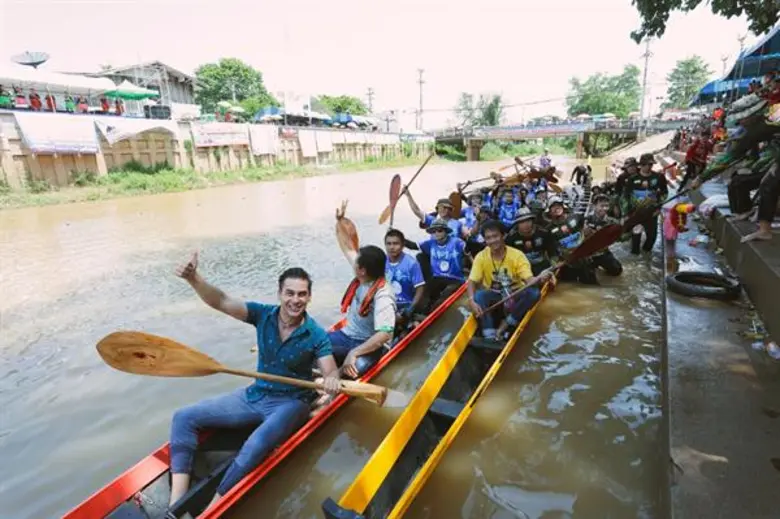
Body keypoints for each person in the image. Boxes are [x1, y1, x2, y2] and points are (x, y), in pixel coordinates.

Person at [168, 253, 341, 510]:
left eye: (302, 294)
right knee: (183, 417)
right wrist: (194, 279)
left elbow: (331, 372)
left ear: (309, 297)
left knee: (257, 443)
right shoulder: (262, 314)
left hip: (291, 403)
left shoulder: (315, 334)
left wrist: (332, 383)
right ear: (280, 293)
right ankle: (175, 505)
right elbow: (222, 301)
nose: (295, 300)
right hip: (255, 395)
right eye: (290, 293)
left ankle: (211, 510)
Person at [333, 204, 397, 379]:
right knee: (309, 346)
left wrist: (354, 353)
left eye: (357, 262)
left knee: (349, 372)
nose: (353, 261)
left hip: (370, 344)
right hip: (346, 335)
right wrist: (339, 222)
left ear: (362, 270)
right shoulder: (364, 275)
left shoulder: (383, 294)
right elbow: (346, 247)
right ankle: (327, 376)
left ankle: (328, 388)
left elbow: (385, 334)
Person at [468, 219, 552, 341]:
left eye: (495, 236)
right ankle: (489, 333)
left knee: (534, 293)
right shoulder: (481, 256)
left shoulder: (517, 255)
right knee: (479, 296)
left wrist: (539, 279)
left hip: (514, 293)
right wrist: (471, 301)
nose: (492, 241)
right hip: (494, 294)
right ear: (485, 240)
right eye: (488, 238)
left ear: (503, 236)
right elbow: (471, 281)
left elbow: (528, 279)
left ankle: (507, 323)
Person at [622, 153, 669, 255]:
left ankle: (646, 255)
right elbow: (625, 197)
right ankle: (635, 258)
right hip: (636, 212)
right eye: (647, 164)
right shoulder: (632, 179)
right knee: (636, 233)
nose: (649, 167)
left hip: (652, 212)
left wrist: (659, 207)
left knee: (652, 238)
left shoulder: (659, 177)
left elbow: (664, 193)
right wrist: (625, 213)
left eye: (651, 165)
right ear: (641, 165)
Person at [417, 217, 468, 311]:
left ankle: (433, 312)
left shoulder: (456, 242)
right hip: (437, 278)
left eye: (439, 230)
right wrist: (402, 240)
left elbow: (467, 248)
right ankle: (422, 312)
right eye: (433, 231)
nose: (436, 233)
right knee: (425, 290)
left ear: (446, 231)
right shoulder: (430, 243)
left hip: (455, 278)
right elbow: (414, 246)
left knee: (446, 294)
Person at [544, 195, 597, 284]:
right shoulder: (548, 230)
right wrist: (555, 264)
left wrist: (588, 232)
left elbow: (590, 232)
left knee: (591, 284)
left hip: (584, 259)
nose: (556, 208)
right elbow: (551, 251)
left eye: (559, 205)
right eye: (553, 206)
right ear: (549, 212)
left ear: (563, 207)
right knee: (568, 284)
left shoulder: (577, 217)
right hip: (567, 263)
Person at [384, 228, 425, 329]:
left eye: (395, 243)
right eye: (388, 244)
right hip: (387, 304)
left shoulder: (412, 263)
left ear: (402, 246)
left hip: (405, 305)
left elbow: (420, 288)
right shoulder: (381, 261)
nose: (392, 247)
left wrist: (410, 308)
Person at [505, 209, 557, 276]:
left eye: (528, 221)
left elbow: (552, 250)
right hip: (522, 268)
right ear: (517, 224)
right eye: (522, 222)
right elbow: (508, 257)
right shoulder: (511, 237)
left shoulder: (543, 232)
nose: (526, 225)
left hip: (542, 266)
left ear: (532, 221)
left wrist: (554, 263)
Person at [584, 195, 623, 276]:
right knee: (587, 277)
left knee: (617, 270)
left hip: (602, 253)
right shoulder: (585, 220)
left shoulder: (612, 222)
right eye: (602, 206)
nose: (604, 208)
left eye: (606, 206)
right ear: (594, 206)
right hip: (587, 254)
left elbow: (621, 238)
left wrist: (631, 232)